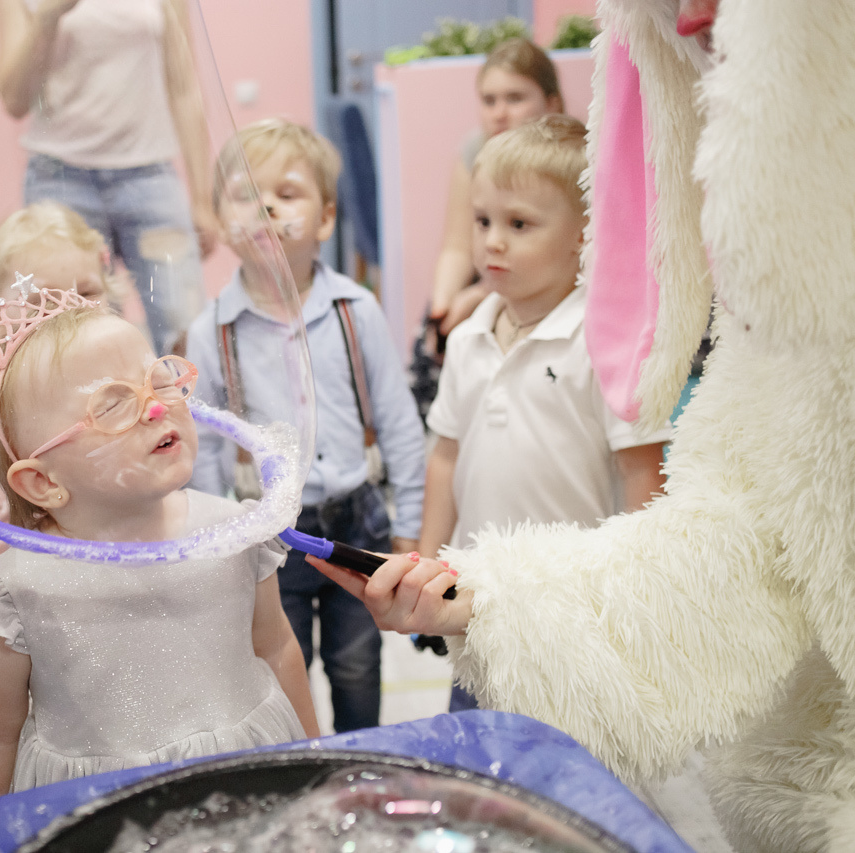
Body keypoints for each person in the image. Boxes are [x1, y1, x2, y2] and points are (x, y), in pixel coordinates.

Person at [315, 2, 855, 849]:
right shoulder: (774, 359)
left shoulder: (612, 357)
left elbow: (648, 492)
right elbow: (719, 561)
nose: (693, 19)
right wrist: (475, 598)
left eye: (522, 224)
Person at [0, 291, 318, 795]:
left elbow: (278, 649)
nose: (154, 407)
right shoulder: (17, 590)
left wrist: (313, 763)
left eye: (161, 380)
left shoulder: (233, 532)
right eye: (112, 405)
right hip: (102, 803)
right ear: (43, 483)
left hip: (246, 773)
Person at [186, 118, 425, 733]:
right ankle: (305, 764)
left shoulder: (356, 312)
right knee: (280, 663)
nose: (265, 207)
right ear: (221, 219)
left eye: (286, 193)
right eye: (246, 194)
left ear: (324, 219)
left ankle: (360, 761)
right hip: (266, 534)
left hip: (356, 516)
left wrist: (411, 525)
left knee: (356, 663)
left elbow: (399, 421)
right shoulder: (211, 330)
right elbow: (208, 446)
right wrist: (218, 537)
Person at [422, 115, 668, 711]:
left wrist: (634, 593)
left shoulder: (604, 342)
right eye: (482, 222)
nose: (492, 242)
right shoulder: (467, 337)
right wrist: (425, 563)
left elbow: (643, 473)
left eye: (519, 224)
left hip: (573, 610)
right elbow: (445, 457)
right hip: (476, 604)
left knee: (575, 765)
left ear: (583, 233)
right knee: (482, 754)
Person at [0, 0, 218, 353]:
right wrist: (49, 16)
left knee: (183, 327)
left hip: (151, 177)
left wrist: (203, 199)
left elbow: (184, 87)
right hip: (60, 180)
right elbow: (13, 99)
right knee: (73, 336)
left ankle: (186, 410)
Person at [412, 38, 564, 416]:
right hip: (493, 275)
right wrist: (443, 310)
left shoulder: (567, 159)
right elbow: (457, 246)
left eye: (515, 98)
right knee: (430, 336)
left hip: (543, 283)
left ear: (552, 103)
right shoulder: (474, 151)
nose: (500, 113)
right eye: (489, 100)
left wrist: (485, 294)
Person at [0, 201, 119, 529]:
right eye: (44, 301)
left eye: (87, 292)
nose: (72, 311)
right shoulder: (2, 410)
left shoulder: (122, 374)